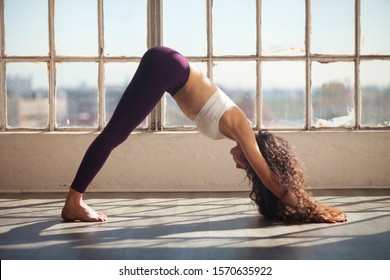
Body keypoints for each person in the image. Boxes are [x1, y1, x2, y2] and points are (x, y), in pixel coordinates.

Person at [61, 46, 347, 223]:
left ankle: (74, 201)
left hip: (169, 68)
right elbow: (270, 180)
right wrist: (313, 208)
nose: (239, 164)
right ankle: (74, 203)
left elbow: (264, 173)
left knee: (116, 133)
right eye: (246, 163)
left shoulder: (237, 129)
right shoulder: (242, 128)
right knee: (115, 134)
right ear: (259, 156)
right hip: (168, 67)